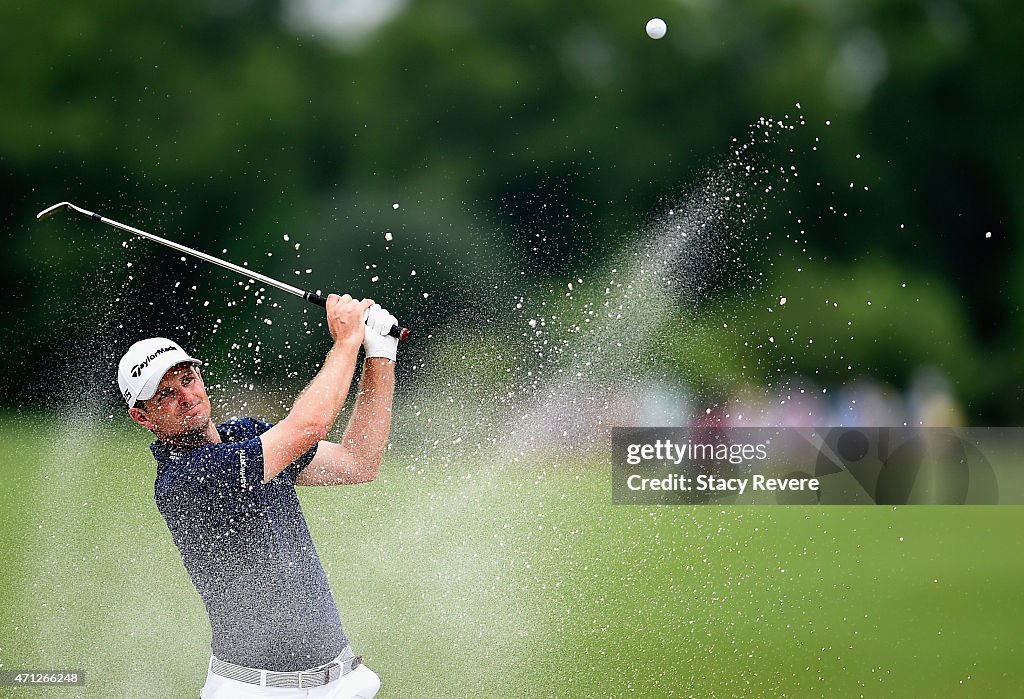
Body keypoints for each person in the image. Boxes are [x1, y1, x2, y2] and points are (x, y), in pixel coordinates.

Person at [117, 294, 397, 699]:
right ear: (142, 417)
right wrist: (347, 341)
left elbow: (358, 462)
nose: (185, 396)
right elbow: (310, 425)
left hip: (342, 681)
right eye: (163, 394)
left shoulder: (244, 436)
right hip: (254, 690)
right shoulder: (186, 478)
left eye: (186, 378)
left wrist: (380, 355)